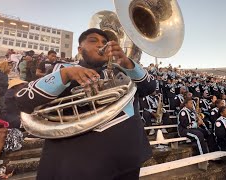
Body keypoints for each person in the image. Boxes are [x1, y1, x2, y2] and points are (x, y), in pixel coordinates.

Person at [16, 28, 156, 180]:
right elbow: (23, 100)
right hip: (78, 164)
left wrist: (127, 63)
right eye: (93, 40)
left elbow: (150, 87)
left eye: (104, 42)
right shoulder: (62, 69)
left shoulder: (123, 70)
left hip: (128, 159)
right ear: (80, 49)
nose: (100, 45)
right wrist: (66, 75)